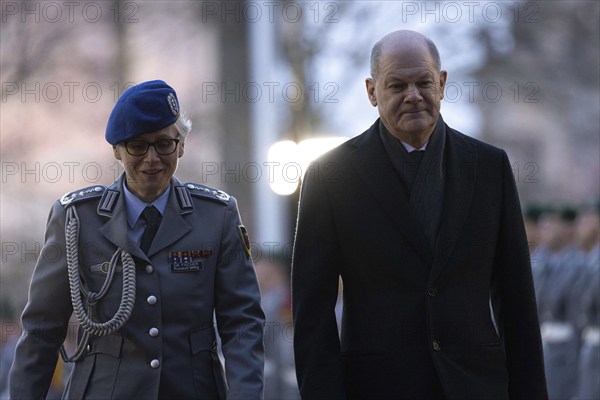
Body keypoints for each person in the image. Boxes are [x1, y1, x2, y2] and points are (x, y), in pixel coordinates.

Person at [291, 30, 548, 399]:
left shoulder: (489, 167)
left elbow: (517, 300)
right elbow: (312, 317)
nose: (413, 96)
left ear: (441, 84)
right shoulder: (330, 176)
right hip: (378, 387)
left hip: (476, 385)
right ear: (371, 91)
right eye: (397, 85)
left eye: (423, 82)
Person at [9, 80, 265, 399]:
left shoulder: (216, 216)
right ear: (117, 150)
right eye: (138, 146)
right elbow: (42, 330)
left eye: (164, 144)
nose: (152, 158)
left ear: (181, 145)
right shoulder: (76, 218)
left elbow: (241, 324)